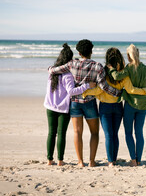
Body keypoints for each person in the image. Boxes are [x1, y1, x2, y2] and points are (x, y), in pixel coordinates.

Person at [48, 39, 121, 167]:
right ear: (91, 51)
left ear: (79, 52)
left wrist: (50, 68)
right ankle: (92, 161)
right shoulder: (98, 66)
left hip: (75, 102)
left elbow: (55, 70)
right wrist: (118, 93)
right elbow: (104, 87)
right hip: (90, 103)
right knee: (94, 133)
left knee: (77, 132)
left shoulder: (72, 64)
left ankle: (80, 162)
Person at [82, 47, 146, 167]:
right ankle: (115, 160)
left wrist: (85, 92)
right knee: (115, 134)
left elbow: (98, 90)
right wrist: (144, 92)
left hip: (105, 107)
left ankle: (111, 162)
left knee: (108, 135)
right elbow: (129, 89)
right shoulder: (123, 74)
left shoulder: (103, 72)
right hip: (118, 107)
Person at [44, 43, 95, 166]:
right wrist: (88, 86)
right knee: (61, 133)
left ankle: (50, 160)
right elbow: (72, 92)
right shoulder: (67, 75)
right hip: (63, 108)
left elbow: (50, 69)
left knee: (51, 133)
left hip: (50, 106)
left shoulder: (52, 72)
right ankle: (60, 160)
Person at [108, 44, 146, 166]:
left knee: (128, 133)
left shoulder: (128, 68)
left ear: (128, 55)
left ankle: (133, 160)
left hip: (130, 104)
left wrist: (111, 68)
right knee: (139, 132)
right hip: (142, 105)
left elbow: (116, 76)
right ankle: (139, 160)